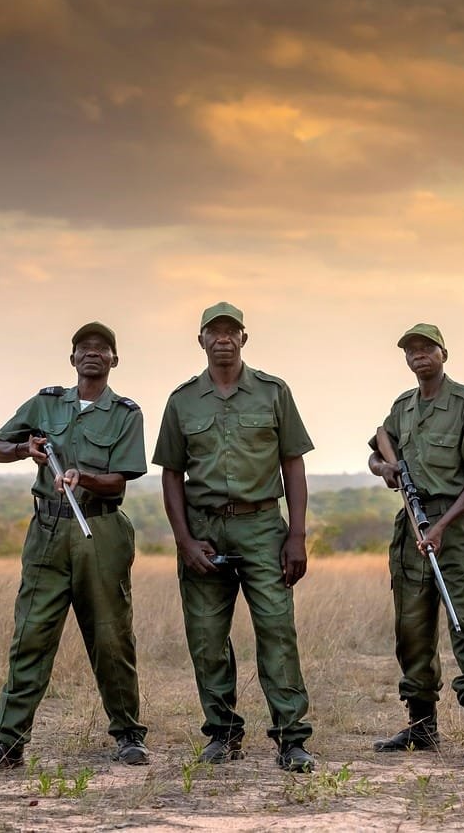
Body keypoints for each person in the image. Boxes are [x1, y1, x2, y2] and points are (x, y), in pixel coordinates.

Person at [0, 322, 149, 770]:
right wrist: (23, 450)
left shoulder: (126, 413)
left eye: (102, 348)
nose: (93, 354)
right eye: (84, 348)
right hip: (47, 530)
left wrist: (81, 476)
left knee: (111, 637)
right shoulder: (46, 402)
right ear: (72, 359)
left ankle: (128, 735)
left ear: (114, 359)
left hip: (100, 530)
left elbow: (119, 480)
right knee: (31, 635)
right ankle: (8, 743)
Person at [152, 301, 317, 773]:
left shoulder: (272, 392)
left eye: (232, 331)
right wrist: (183, 540)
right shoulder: (182, 400)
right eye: (213, 331)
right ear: (200, 340)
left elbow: (293, 464)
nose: (223, 338)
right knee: (206, 636)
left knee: (276, 630)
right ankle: (222, 734)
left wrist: (297, 535)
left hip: (263, 526)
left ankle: (292, 738)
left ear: (245, 338)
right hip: (204, 528)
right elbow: (171, 474)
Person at [367, 323, 464, 767]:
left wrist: (441, 525)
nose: (418, 355)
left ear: (444, 353)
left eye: (427, 348)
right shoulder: (403, 407)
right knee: (411, 630)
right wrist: (383, 469)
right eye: (411, 350)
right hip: (410, 523)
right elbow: (375, 451)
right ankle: (421, 726)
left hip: (454, 527)